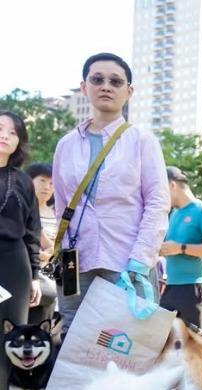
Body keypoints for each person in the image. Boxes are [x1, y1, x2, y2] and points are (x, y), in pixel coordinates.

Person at [51, 52, 169, 334]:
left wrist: (141, 259)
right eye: (97, 79)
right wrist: (62, 253)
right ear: (84, 87)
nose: (106, 86)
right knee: (74, 344)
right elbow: (61, 205)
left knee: (126, 345)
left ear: (128, 92)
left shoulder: (142, 140)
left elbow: (158, 202)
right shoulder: (66, 145)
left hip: (126, 261)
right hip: (75, 263)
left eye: (116, 81)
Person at [0, 111, 42, 390]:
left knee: (10, 338)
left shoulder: (23, 180)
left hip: (13, 265)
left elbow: (32, 232)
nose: (5, 136)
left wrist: (36, 276)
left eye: (12, 133)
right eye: (0, 129)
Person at [159, 166, 202, 328]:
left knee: (193, 345)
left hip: (196, 286)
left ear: (171, 185)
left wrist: (180, 248)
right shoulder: (173, 214)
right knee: (163, 341)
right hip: (171, 286)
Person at [24, 163, 57, 326]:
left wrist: (51, 252)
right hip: (28, 273)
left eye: (52, 183)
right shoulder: (21, 208)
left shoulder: (59, 212)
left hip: (53, 280)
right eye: (42, 181)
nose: (47, 187)